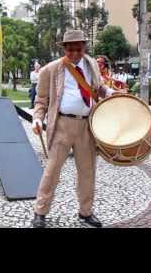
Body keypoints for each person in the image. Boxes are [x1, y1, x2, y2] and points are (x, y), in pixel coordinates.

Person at [31, 30, 118, 228]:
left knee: (87, 172)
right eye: (70, 49)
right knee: (51, 171)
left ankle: (86, 212)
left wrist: (110, 92)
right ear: (64, 48)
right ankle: (40, 211)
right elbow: (41, 100)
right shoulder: (50, 70)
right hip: (62, 125)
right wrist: (37, 119)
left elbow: (98, 87)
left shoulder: (92, 64)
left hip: (87, 126)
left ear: (84, 47)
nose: (74, 54)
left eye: (78, 49)